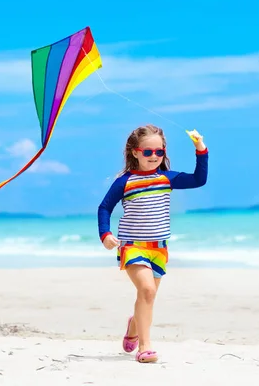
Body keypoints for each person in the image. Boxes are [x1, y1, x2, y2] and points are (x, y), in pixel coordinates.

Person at [97, 124, 208, 363]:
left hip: (158, 248)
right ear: (135, 152)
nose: (154, 157)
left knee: (147, 296)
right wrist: (105, 234)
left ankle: (134, 325)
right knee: (146, 291)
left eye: (159, 152)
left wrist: (200, 149)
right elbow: (105, 207)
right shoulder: (124, 182)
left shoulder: (166, 178)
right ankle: (145, 347)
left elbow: (199, 180)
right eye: (148, 152)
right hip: (132, 246)